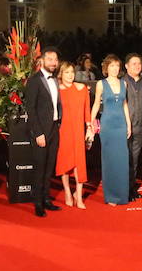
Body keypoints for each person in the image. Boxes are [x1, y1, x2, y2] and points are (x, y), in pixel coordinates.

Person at [24, 47, 63, 217]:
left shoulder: (55, 80)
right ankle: (38, 203)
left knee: (49, 168)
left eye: (55, 60)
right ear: (42, 61)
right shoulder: (34, 80)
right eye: (50, 60)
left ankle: (46, 199)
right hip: (41, 131)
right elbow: (30, 109)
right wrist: (38, 133)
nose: (54, 63)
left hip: (54, 128)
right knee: (40, 168)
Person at [90, 54, 132, 206]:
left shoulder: (124, 84)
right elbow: (96, 104)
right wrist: (90, 122)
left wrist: (129, 124)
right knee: (109, 160)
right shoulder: (101, 84)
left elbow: (125, 104)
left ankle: (122, 195)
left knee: (121, 160)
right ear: (106, 68)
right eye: (112, 65)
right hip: (107, 125)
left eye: (117, 65)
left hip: (121, 124)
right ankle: (111, 196)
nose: (114, 68)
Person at [55, 62, 91, 209]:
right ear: (61, 74)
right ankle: (68, 193)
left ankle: (79, 194)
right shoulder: (57, 90)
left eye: (71, 72)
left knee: (79, 162)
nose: (70, 75)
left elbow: (87, 111)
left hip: (78, 129)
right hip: (63, 131)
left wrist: (89, 127)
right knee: (64, 162)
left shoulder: (82, 88)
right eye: (66, 72)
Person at [123, 53, 142, 200]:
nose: (137, 66)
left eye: (139, 63)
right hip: (125, 127)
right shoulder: (121, 82)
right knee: (125, 159)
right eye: (133, 63)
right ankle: (124, 189)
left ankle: (131, 188)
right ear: (126, 66)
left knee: (135, 158)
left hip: (141, 126)